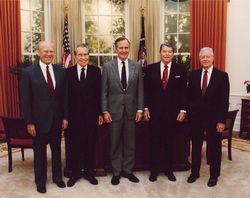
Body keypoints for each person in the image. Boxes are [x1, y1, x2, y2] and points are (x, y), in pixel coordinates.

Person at [20, 41, 68, 193]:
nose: (49, 54)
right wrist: (29, 122)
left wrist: (65, 118)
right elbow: (25, 100)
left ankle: (57, 178)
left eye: (51, 51)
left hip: (56, 120)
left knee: (57, 151)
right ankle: (40, 182)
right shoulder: (28, 72)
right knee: (39, 153)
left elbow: (64, 97)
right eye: (45, 51)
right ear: (38, 53)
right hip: (38, 121)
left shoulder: (60, 71)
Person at [101, 37, 144, 185]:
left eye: (126, 48)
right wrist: (105, 111)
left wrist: (140, 109)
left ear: (129, 49)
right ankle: (116, 172)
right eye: (121, 48)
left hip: (132, 111)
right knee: (115, 142)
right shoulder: (107, 67)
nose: (124, 50)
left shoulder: (136, 65)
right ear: (116, 49)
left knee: (130, 143)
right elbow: (104, 92)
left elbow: (140, 90)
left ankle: (128, 170)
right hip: (113, 112)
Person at [144, 42, 187, 182]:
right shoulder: (150, 69)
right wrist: (145, 108)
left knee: (169, 142)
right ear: (160, 52)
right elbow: (146, 91)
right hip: (154, 113)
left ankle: (169, 170)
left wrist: (182, 110)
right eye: (164, 51)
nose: (167, 54)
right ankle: (154, 171)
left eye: (170, 51)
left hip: (172, 114)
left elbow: (183, 92)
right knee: (154, 142)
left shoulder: (181, 69)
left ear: (173, 54)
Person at [187, 47, 229, 187]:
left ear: (213, 58)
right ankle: (195, 173)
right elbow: (190, 98)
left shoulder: (222, 76)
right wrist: (190, 114)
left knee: (214, 148)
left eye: (208, 56)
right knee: (196, 147)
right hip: (196, 119)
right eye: (202, 57)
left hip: (214, 120)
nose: (205, 59)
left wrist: (221, 121)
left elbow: (224, 101)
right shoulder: (193, 75)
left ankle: (214, 175)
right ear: (199, 59)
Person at [66, 44, 103, 187]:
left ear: (89, 56)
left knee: (90, 145)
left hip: (91, 116)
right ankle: (74, 173)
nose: (83, 57)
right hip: (73, 117)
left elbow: (99, 94)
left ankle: (89, 172)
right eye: (80, 55)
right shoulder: (68, 72)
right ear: (75, 56)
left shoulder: (96, 71)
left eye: (86, 54)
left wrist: (100, 113)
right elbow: (65, 97)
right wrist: (65, 117)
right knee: (75, 145)